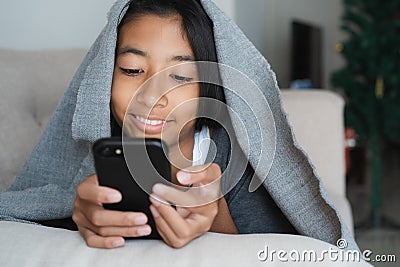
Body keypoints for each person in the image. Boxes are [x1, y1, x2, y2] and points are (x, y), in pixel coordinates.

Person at [0, 0, 359, 251]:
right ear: (101, 80)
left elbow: (277, 250)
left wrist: (216, 215)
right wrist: (76, 219)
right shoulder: (91, 155)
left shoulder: (235, 158)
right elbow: (30, 213)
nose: (153, 95)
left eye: (181, 76)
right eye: (132, 70)